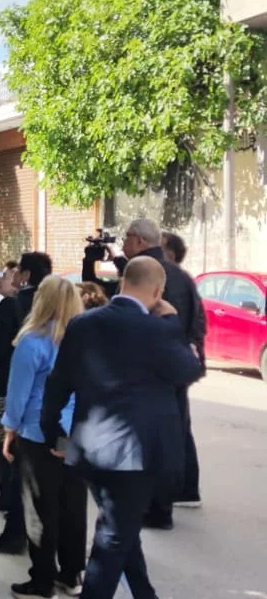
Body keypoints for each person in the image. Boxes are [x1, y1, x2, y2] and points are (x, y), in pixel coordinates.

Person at [41, 257, 204, 599]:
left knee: (121, 529)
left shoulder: (82, 324)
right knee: (114, 538)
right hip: (135, 457)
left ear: (122, 282)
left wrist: (52, 431)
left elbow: (58, 383)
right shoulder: (158, 329)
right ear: (158, 292)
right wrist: (172, 321)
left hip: (90, 450)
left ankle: (145, 594)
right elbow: (189, 370)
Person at [1, 275, 87, 599]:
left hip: (37, 432)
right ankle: (72, 574)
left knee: (40, 509)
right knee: (73, 506)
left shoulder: (32, 341)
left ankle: (42, 580)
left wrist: (9, 429)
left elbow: (18, 394)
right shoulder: (83, 342)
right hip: (75, 432)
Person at [120, 220, 206, 522]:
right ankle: (181, 492)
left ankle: (158, 506)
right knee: (176, 429)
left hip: (153, 370)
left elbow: (139, 323)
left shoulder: (145, 273)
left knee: (154, 436)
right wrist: (189, 355)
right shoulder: (180, 275)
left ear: (140, 241)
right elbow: (197, 321)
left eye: (127, 237)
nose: (123, 243)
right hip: (177, 365)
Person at [0, 252, 54, 555]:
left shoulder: (12, 305)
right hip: (49, 399)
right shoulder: (54, 306)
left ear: (25, 274)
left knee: (10, 458)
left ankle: (14, 532)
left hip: (11, 385)